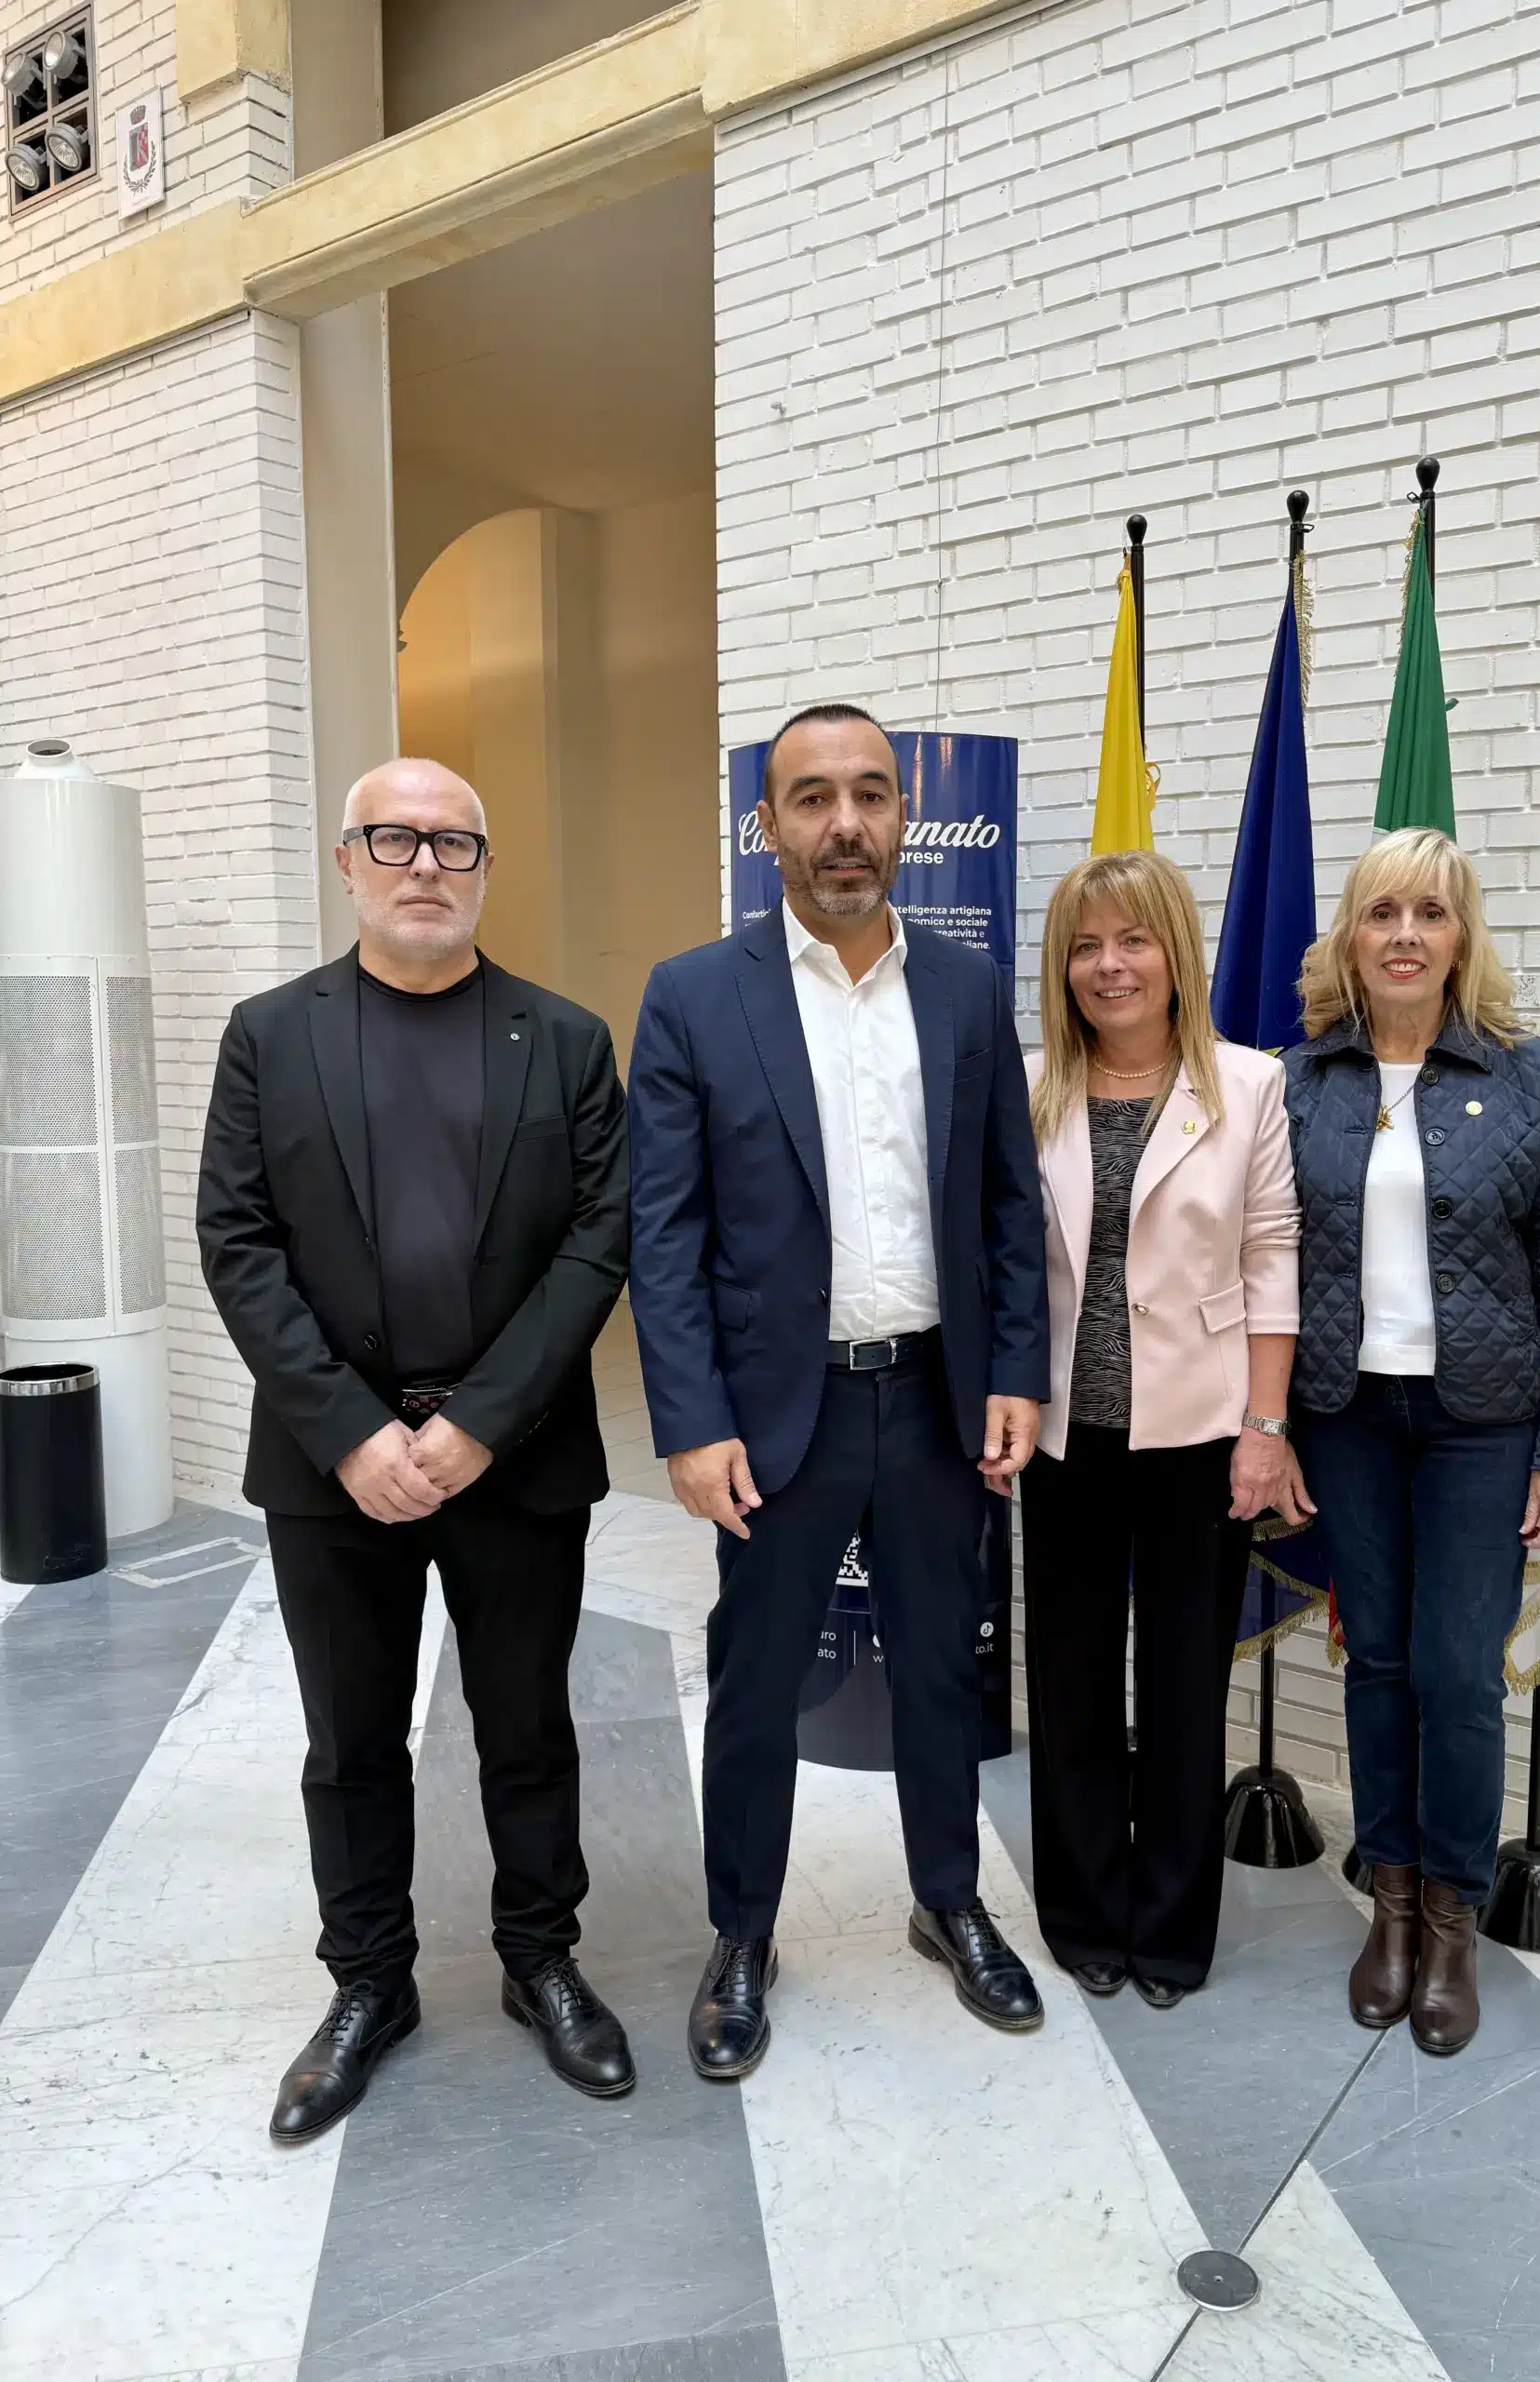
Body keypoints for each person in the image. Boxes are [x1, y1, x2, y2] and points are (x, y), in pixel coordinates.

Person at [197, 757, 634, 2143]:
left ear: (488, 868)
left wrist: (479, 1422)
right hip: (334, 1468)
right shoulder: (270, 1035)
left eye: (455, 843)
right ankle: (369, 1984)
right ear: (349, 862)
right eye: (395, 839)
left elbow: (598, 1242)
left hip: (517, 1455)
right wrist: (351, 1431)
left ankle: (541, 1958)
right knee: (351, 1741)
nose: (426, 864)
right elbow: (237, 1241)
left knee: (528, 1725)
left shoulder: (565, 1040)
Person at [628, 702, 1051, 2080]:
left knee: (941, 1669)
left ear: (903, 817)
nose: (847, 823)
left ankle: (949, 1901)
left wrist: (1016, 1376)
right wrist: (691, 1422)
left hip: (935, 1400)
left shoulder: (966, 990)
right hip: (775, 1416)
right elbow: (665, 1233)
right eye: (813, 798)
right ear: (769, 827)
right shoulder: (697, 994)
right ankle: (743, 1933)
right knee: (759, 1685)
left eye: (871, 793)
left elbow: (1006, 1203)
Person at [1284, 827, 1540, 2056]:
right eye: (1382, 913)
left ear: (1462, 936)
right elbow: (1267, 1260)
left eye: (1430, 913)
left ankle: (1454, 1919)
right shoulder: (1301, 1079)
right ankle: (1392, 1901)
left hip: (1483, 1424)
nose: (1405, 935)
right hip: (1348, 1415)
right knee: (1376, 1661)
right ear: (1351, 937)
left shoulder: (1524, 1077)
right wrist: (1271, 1427)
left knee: (1459, 1673)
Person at [1022, 851, 1305, 2008]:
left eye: (1133, 940)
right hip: (1064, 1434)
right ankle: (1086, 1912)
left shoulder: (1249, 1085)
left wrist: (1266, 1424)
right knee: (1073, 1682)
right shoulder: (1034, 1088)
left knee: (1185, 1684)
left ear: (1176, 953)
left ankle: (1174, 1927)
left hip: (1203, 1430)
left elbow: (1273, 1254)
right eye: (1087, 945)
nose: (1110, 965)